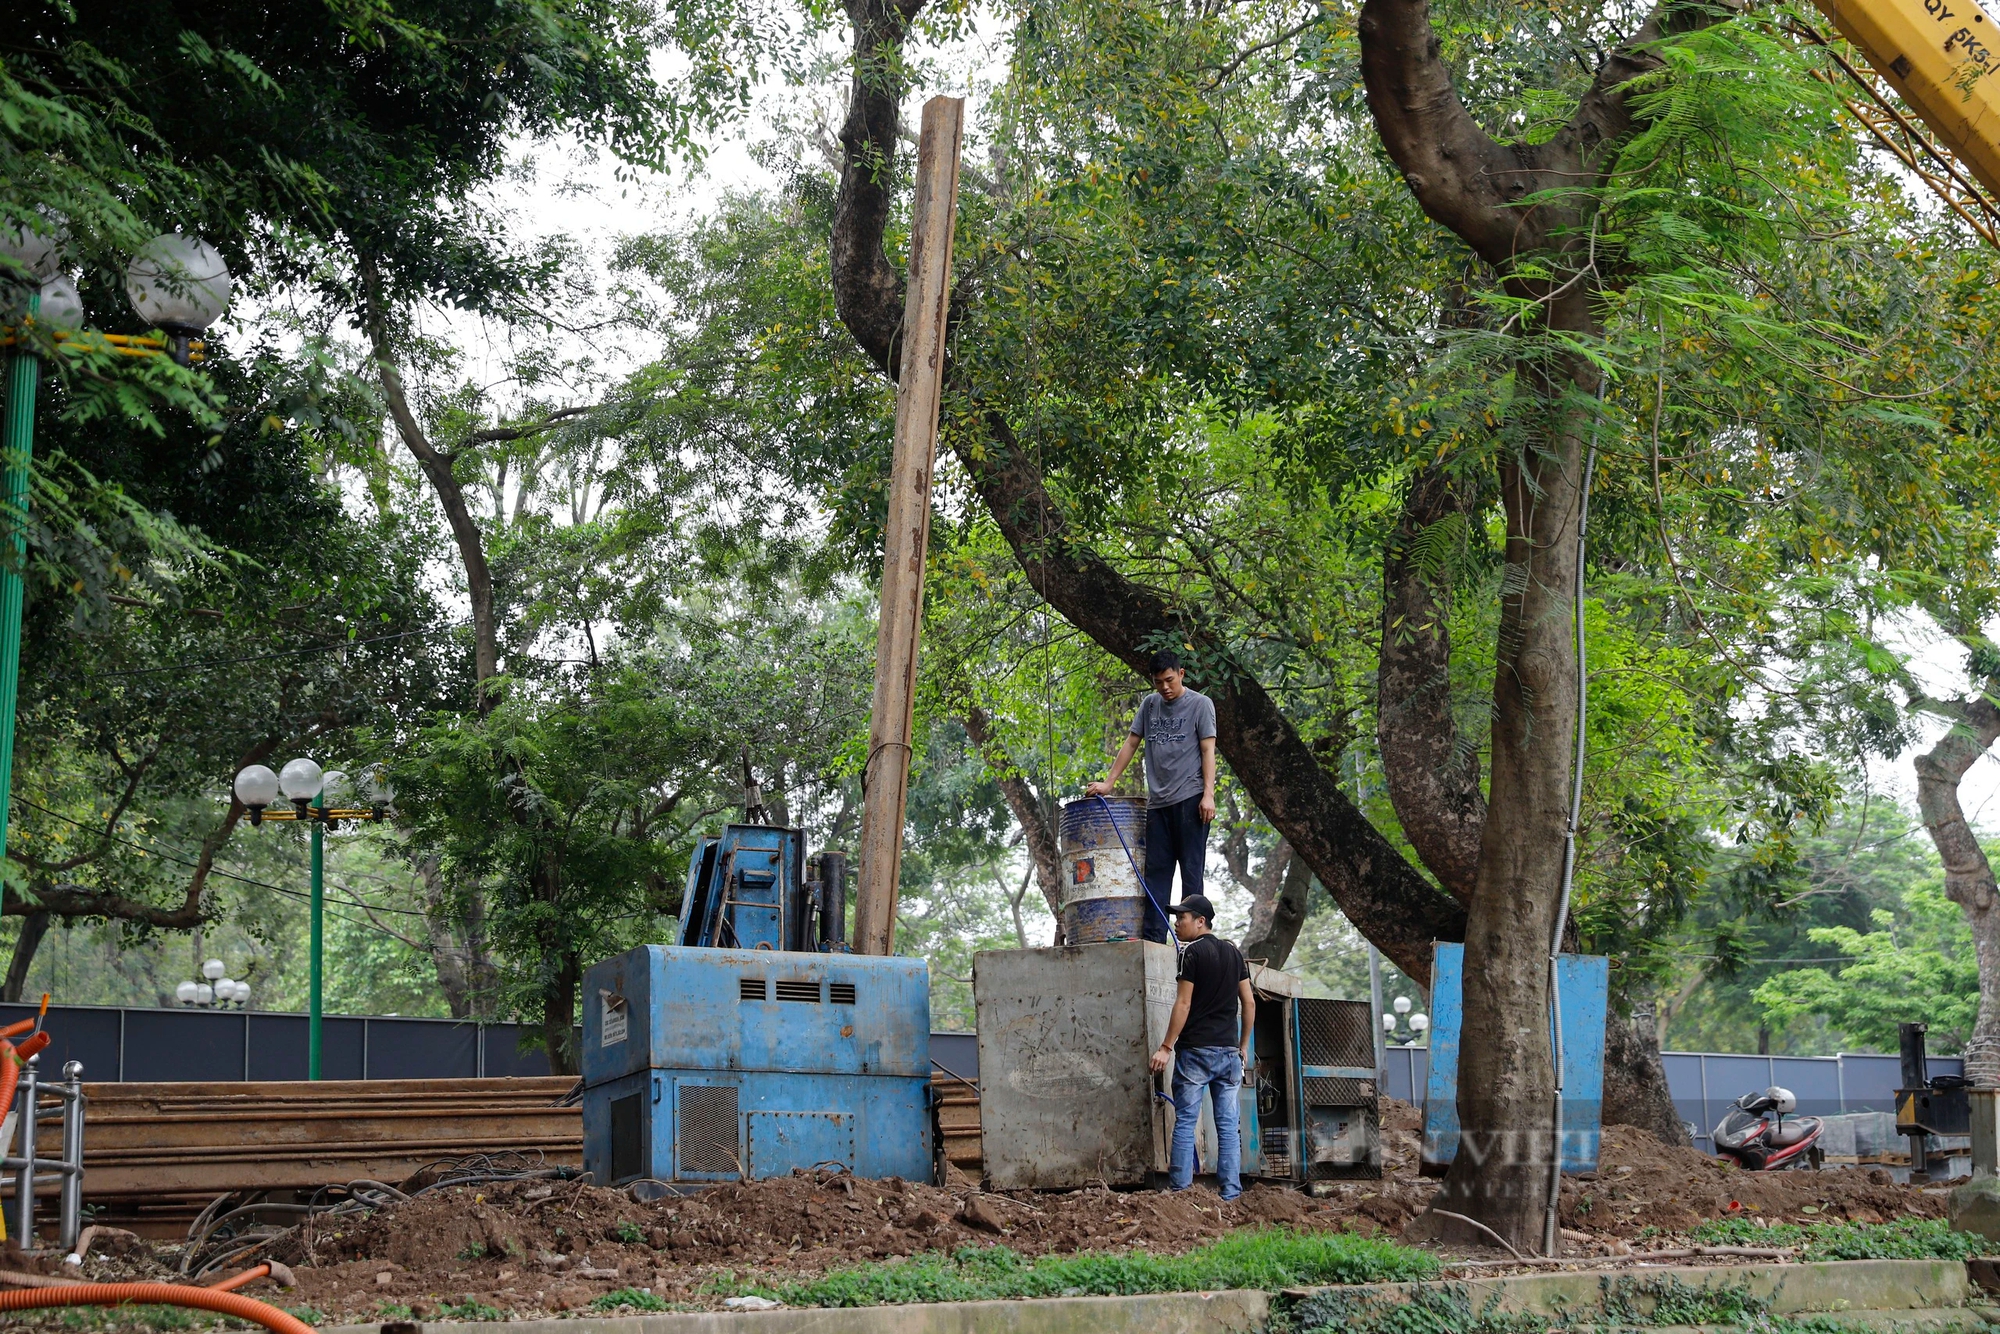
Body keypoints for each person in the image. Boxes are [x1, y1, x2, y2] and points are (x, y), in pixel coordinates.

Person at [1085, 649, 1217, 943]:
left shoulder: (1200, 705)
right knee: (1156, 873)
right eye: (1159, 682)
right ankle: (1154, 939)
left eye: (1169, 680)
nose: (1165, 687)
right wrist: (1109, 783)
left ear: (1181, 674)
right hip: (1158, 803)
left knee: (1191, 873)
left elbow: (1209, 750)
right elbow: (1131, 744)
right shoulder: (1150, 705)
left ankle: (1194, 941)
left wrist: (1208, 795)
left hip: (1191, 799)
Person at [1148, 895, 1253, 1200]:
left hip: (1195, 1053)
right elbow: (1247, 1002)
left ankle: (1181, 1193)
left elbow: (1183, 1002)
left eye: (1182, 918)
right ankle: (1231, 1193)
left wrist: (1166, 1047)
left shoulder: (1190, 952)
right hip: (1229, 1054)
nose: (1176, 924)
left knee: (1186, 1123)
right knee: (1228, 1127)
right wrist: (1242, 1044)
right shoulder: (1235, 954)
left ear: (1200, 921)